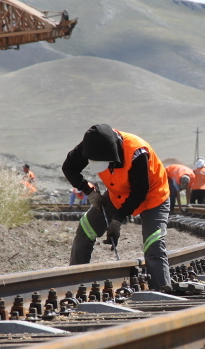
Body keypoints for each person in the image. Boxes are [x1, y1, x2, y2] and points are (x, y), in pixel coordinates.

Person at [62, 124, 171, 291]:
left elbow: (139, 193)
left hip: (153, 197)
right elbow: (69, 167)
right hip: (117, 194)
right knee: (85, 229)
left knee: (153, 244)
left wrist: (117, 220)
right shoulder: (90, 145)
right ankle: (75, 284)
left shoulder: (137, 152)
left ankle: (162, 291)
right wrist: (89, 191)